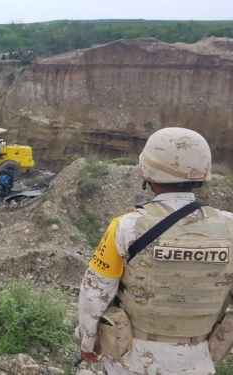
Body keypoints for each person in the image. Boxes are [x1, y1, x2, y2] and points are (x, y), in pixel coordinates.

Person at [76, 127, 233, 375]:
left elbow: (94, 292)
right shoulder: (230, 227)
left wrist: (88, 339)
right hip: (198, 362)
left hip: (132, 361)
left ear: (148, 172)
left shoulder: (126, 227)